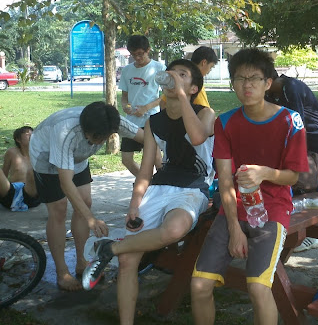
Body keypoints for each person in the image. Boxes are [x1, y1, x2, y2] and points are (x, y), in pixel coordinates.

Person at [81, 60, 214, 325]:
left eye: (183, 75)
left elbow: (198, 137)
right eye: (172, 73)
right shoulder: (154, 122)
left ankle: (110, 247)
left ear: (193, 88)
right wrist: (134, 204)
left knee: (174, 230)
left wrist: (182, 97)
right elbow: (145, 171)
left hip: (192, 188)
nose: (174, 77)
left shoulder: (205, 114)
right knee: (128, 261)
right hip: (159, 187)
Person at [190, 48, 308, 325]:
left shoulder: (290, 121)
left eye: (254, 78)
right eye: (240, 79)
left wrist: (265, 173)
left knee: (257, 287)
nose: (247, 85)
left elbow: (293, 177)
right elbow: (224, 179)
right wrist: (234, 228)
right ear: (232, 83)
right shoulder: (225, 122)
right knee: (199, 285)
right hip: (233, 208)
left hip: (273, 210)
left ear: (268, 83)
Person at [30, 101, 143, 292]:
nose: (97, 143)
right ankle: (61, 271)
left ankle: (81, 261)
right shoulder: (66, 132)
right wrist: (91, 219)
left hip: (77, 158)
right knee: (59, 209)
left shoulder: (111, 120)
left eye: (102, 138)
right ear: (84, 129)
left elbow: (146, 137)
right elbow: (66, 182)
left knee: (85, 202)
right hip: (45, 158)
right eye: (93, 139)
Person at [265, 69, 318, 251]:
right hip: (303, 137)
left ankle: (309, 235)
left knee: (308, 179)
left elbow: (297, 122)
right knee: (297, 181)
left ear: (271, 80)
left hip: (317, 135)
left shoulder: (291, 87)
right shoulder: (272, 93)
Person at [119, 35, 166, 176]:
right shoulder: (127, 70)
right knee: (126, 159)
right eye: (133, 55)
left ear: (148, 50)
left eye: (140, 54)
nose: (137, 58)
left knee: (156, 158)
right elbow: (124, 96)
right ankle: (146, 181)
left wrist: (146, 107)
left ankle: (163, 182)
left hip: (151, 120)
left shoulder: (159, 68)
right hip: (131, 122)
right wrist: (125, 106)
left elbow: (166, 95)